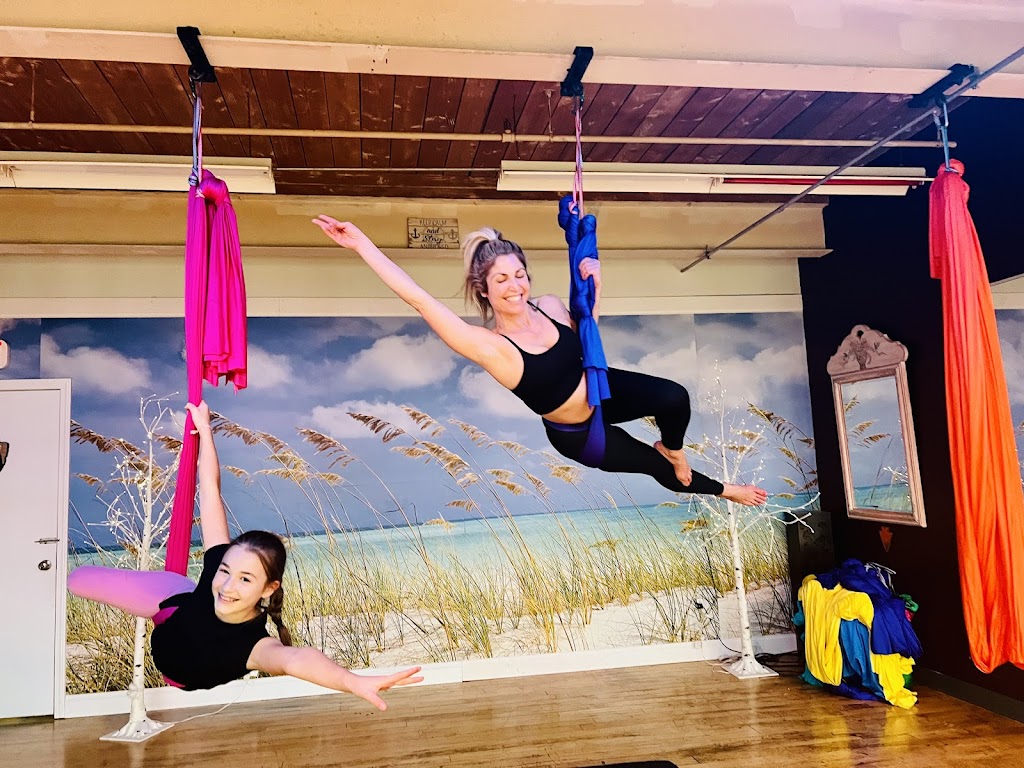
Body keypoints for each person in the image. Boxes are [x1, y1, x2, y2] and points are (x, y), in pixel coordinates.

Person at [312, 216, 768, 506]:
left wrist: (594, 284)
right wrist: (363, 245)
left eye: (519, 274)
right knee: (660, 471)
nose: (515, 286)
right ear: (484, 289)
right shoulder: (490, 347)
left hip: (602, 391)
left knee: (674, 397)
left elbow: (588, 333)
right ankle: (728, 491)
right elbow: (419, 299)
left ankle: (674, 447)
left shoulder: (548, 305)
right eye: (501, 280)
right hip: (580, 434)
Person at [67, 401, 422, 711]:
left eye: (246, 579)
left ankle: (178, 590)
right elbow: (210, 489)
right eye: (225, 570)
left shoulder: (254, 646)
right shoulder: (219, 568)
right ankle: (175, 587)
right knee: (77, 580)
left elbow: (296, 659)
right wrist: (204, 430)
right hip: (171, 607)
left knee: (181, 593)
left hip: (181, 664)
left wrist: (350, 680)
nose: (226, 586)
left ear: (269, 588)